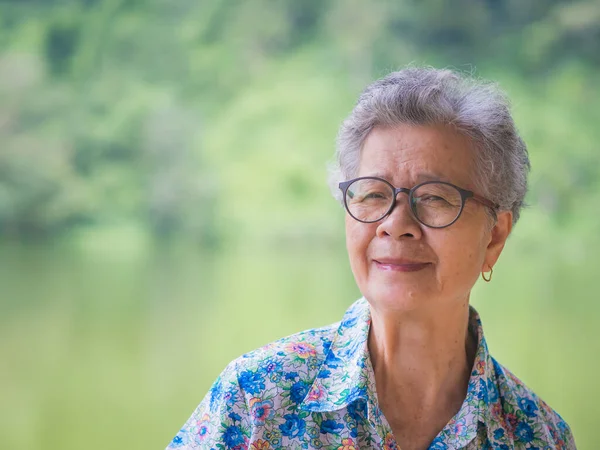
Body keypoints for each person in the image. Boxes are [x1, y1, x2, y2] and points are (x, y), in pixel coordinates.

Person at [166, 67, 576, 450]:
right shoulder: (256, 400)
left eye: (434, 197)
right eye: (373, 193)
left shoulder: (539, 435)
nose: (396, 225)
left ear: (495, 236)